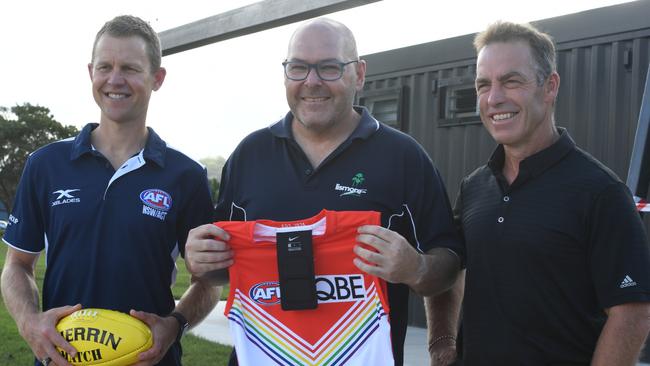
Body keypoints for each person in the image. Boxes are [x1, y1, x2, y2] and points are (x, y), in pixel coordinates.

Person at [184, 18, 462, 366]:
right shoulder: (249, 155)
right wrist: (202, 261)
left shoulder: (404, 157)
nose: (311, 82)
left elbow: (450, 261)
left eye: (329, 67)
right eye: (298, 68)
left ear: (359, 74)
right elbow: (221, 270)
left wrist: (417, 268)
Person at [424, 21, 650, 365]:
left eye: (511, 81)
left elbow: (632, 313)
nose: (494, 97)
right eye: (484, 84)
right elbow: (448, 265)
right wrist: (441, 342)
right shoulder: (474, 188)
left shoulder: (600, 191)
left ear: (550, 86)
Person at [0, 15, 221, 366]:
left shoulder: (186, 176)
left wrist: (174, 325)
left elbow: (208, 283)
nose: (115, 80)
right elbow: (18, 264)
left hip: (150, 359)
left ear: (157, 78)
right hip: (62, 359)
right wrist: (29, 323)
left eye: (131, 68)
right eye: (105, 66)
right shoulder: (45, 164)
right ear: (91, 72)